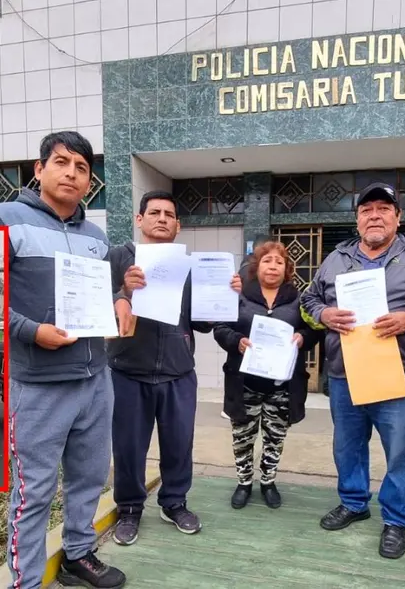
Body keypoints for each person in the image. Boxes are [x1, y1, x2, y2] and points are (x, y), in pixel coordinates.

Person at [0, 131, 125, 589]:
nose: (72, 173)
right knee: (34, 488)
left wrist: (120, 301)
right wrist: (30, 331)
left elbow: (105, 295)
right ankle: (25, 580)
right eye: (62, 162)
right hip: (38, 383)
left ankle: (78, 555)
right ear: (39, 170)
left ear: (89, 181)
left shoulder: (96, 237)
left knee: (90, 476)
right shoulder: (2, 219)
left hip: (95, 378)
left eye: (82, 168)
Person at [300, 182, 405, 560]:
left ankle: (396, 518)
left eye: (383, 208)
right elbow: (308, 300)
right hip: (345, 371)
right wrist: (324, 314)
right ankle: (354, 502)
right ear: (357, 219)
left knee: (400, 451)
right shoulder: (336, 257)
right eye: (366, 210)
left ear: (398, 217)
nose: (374, 215)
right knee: (347, 445)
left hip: (399, 371)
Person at [108, 190, 242, 546]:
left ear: (178, 225)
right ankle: (130, 509)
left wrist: (226, 295)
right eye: (154, 213)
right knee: (128, 446)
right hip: (127, 370)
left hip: (179, 372)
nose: (162, 218)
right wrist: (124, 290)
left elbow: (200, 322)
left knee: (179, 444)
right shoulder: (119, 257)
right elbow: (98, 306)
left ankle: (174, 502)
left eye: (169, 214)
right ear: (140, 220)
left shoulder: (190, 266)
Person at [213, 241, 319, 509]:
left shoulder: (299, 299)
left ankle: (268, 481)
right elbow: (220, 328)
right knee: (243, 436)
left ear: (287, 269)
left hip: (282, 385)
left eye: (279, 262)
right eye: (267, 261)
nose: (273, 266)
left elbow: (315, 330)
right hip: (244, 382)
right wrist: (237, 340)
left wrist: (302, 337)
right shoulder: (239, 296)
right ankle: (244, 482)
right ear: (256, 267)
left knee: (275, 436)